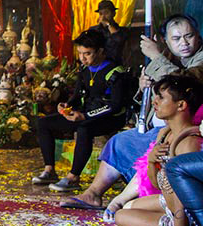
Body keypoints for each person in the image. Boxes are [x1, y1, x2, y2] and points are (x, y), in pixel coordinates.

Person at [59, 14, 203, 202]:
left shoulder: (194, 59)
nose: (184, 43)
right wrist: (144, 86)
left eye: (189, 36)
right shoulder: (170, 57)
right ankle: (93, 195)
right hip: (157, 126)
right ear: (165, 41)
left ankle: (129, 199)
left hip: (186, 129)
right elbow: (148, 96)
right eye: (176, 38)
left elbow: (185, 83)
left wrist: (157, 57)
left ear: (198, 36)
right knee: (119, 142)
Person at [112, 76, 202, 226]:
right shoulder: (165, 133)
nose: (154, 102)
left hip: (187, 215)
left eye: (161, 98)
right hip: (169, 201)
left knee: (121, 216)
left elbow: (182, 201)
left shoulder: (190, 142)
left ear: (181, 105)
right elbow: (156, 184)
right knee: (127, 207)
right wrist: (152, 162)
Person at [33, 30, 128, 187]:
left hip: (110, 117)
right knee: (44, 123)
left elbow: (115, 105)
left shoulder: (114, 72)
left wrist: (85, 116)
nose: (82, 58)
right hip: (85, 114)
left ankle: (73, 177)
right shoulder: (84, 70)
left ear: (100, 51)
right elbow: (77, 96)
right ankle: (49, 170)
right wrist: (66, 106)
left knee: (84, 129)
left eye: (88, 53)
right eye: (80, 53)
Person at [88, 0, 126, 66]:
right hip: (99, 66)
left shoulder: (122, 31)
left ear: (113, 13)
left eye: (106, 13)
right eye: (101, 14)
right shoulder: (93, 30)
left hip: (116, 65)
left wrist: (108, 24)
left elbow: (118, 39)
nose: (103, 17)